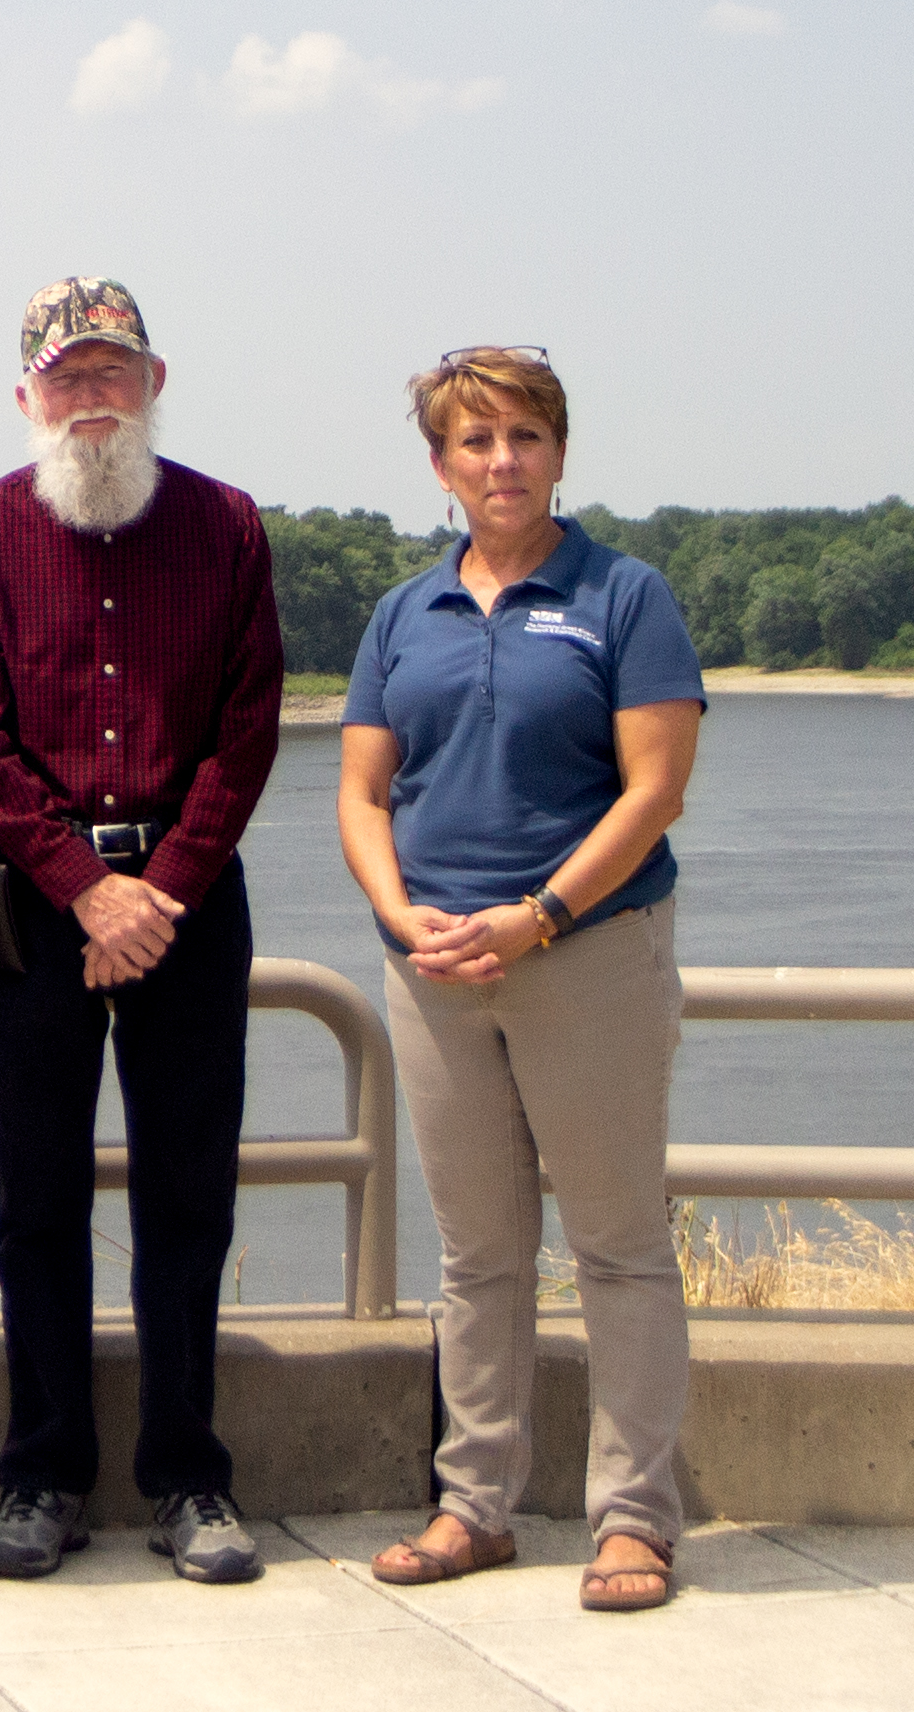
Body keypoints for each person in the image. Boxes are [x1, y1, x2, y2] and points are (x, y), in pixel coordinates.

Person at [0, 278, 282, 1585]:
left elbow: (248, 733)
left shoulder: (226, 525)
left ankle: (190, 1478)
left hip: (188, 902)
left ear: (154, 382)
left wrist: (161, 889)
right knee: (39, 1203)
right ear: (26, 395)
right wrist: (86, 884)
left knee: (189, 1200)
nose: (90, 398)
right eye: (65, 376)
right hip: (37, 905)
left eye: (111, 373)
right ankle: (42, 1477)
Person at [339, 347, 703, 1614]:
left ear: (559, 451)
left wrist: (538, 916)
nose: (502, 462)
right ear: (439, 466)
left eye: (525, 437)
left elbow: (653, 790)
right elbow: (361, 791)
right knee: (475, 1254)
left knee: (616, 1245)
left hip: (585, 952)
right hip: (435, 968)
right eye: (475, 442)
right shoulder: (402, 612)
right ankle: (473, 1502)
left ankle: (633, 1519)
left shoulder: (625, 595)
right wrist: (401, 919)